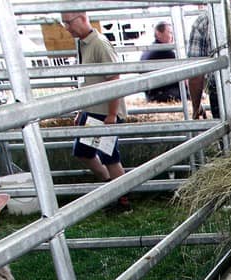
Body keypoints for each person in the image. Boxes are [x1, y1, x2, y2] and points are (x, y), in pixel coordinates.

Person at [61, 11, 131, 213]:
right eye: (64, 23)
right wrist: (81, 111)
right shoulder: (82, 44)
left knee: (109, 156)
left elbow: (114, 79)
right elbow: (87, 81)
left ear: (83, 18)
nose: (67, 28)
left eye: (69, 22)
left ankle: (123, 201)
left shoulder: (99, 43)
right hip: (91, 110)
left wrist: (112, 114)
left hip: (104, 111)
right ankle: (110, 186)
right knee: (82, 152)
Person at [140, 21, 182, 103]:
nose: (172, 36)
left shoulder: (148, 50)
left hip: (151, 95)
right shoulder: (166, 52)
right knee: (187, 93)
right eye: (169, 33)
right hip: (162, 95)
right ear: (158, 34)